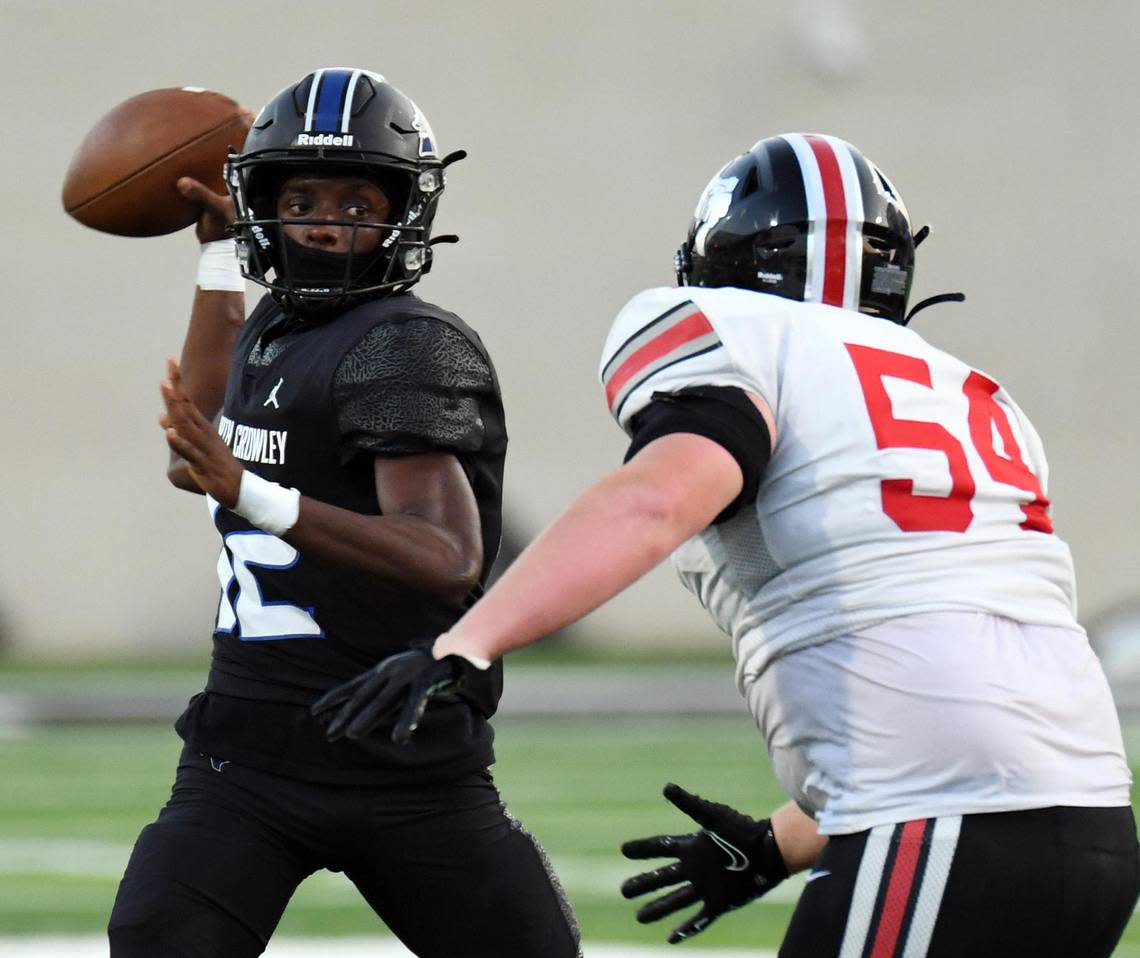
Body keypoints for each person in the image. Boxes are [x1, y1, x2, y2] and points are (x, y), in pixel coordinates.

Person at [314, 133, 1139, 956]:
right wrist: (777, 843)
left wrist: (468, 645)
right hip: (1090, 829)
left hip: (941, 823)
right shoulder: (973, 394)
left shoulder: (738, 333)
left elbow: (657, 500)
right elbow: (963, 677)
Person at [107, 67, 580, 958]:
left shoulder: (402, 343)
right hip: (245, 759)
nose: (327, 221)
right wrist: (215, 257)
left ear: (402, 210)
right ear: (264, 207)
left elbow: (445, 555)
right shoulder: (276, 325)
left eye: (357, 201)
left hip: (403, 762)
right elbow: (194, 451)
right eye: (304, 198)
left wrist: (248, 492)